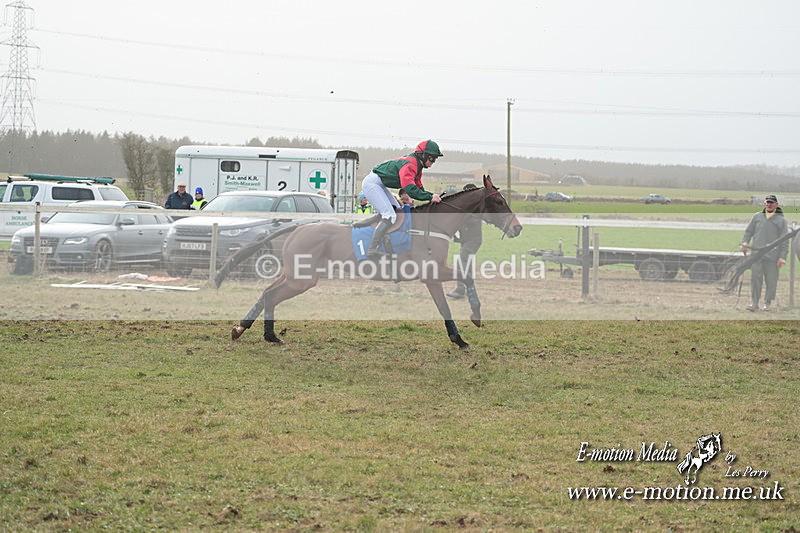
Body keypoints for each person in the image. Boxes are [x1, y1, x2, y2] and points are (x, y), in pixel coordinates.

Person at [361, 140, 443, 257]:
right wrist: (430, 197)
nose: (433, 162)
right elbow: (409, 189)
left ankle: (390, 242)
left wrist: (431, 197)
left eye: (435, 159)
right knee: (390, 215)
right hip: (372, 184)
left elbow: (418, 187)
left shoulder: (417, 166)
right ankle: (372, 249)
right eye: (432, 158)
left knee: (398, 211)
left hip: (380, 184)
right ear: (423, 155)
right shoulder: (411, 165)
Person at [740, 194, 789, 311]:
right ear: (764, 203)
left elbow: (785, 241)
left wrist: (782, 257)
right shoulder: (757, 217)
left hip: (773, 257)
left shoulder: (781, 221)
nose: (769, 204)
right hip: (757, 255)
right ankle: (754, 303)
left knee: (771, 281)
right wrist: (745, 242)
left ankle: (767, 304)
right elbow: (748, 232)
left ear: (776, 205)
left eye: (771, 203)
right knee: (755, 279)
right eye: (767, 202)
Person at [447, 184, 483, 299]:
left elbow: (472, 220)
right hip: (466, 240)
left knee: (461, 261)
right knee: (468, 265)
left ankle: (460, 290)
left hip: (473, 240)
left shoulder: (476, 207)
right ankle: (470, 289)